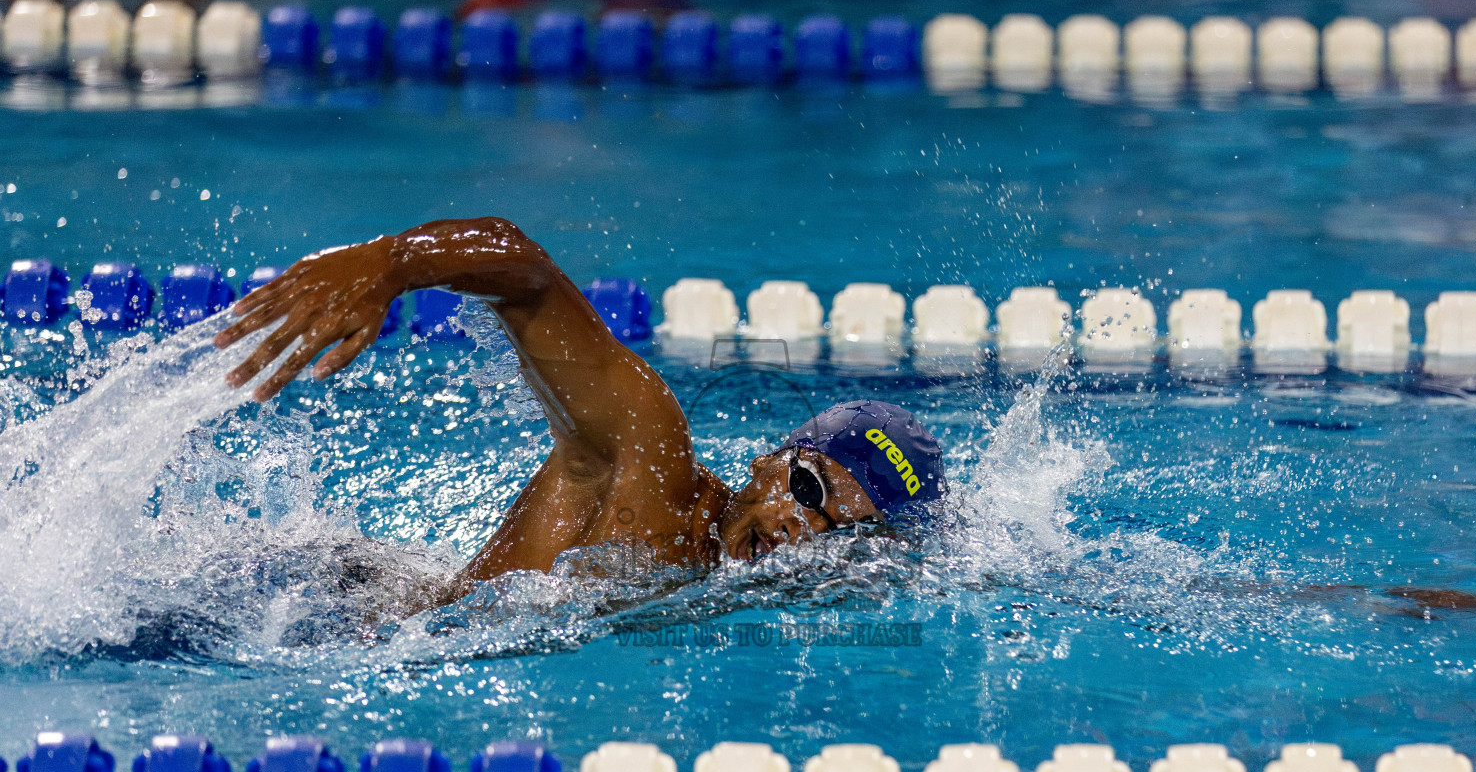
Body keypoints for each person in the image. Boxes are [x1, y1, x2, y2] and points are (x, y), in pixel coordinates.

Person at [214, 217, 946, 607]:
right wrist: (392, 264)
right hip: (303, 615)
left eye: (842, 531)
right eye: (810, 490)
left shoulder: (747, 593)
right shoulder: (650, 466)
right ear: (767, 463)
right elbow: (526, 274)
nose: (802, 529)